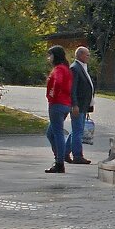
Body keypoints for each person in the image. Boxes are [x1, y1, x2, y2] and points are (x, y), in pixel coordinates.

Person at [44, 45, 73, 173]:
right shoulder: (66, 68)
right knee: (50, 133)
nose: (49, 58)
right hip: (65, 104)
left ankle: (59, 162)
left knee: (57, 133)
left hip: (57, 104)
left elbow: (58, 83)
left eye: (50, 55)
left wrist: (52, 95)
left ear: (55, 56)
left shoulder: (59, 69)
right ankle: (59, 158)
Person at [67, 46, 96, 165]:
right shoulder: (75, 68)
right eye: (86, 55)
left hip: (83, 105)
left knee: (76, 130)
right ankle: (77, 155)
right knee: (78, 131)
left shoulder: (82, 67)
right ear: (80, 55)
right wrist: (74, 105)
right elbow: (72, 89)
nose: (88, 57)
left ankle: (64, 152)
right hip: (77, 105)